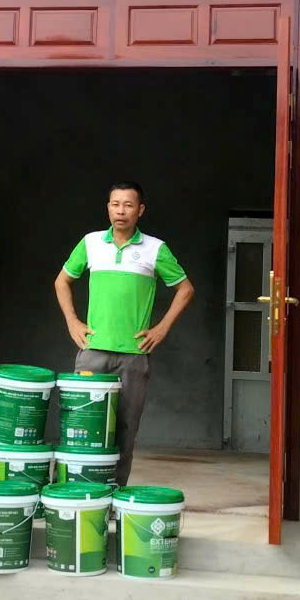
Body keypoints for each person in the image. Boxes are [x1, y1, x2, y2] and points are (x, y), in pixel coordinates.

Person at [54, 181, 194, 487]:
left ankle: (114, 490)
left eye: (128, 205)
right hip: (93, 351)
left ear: (140, 210)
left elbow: (185, 289)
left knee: (126, 428)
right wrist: (73, 322)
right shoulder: (91, 243)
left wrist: (161, 328)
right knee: (80, 422)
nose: (121, 211)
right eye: (115, 204)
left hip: (133, 356)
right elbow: (61, 281)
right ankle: (68, 490)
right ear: (108, 208)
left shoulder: (155, 249)